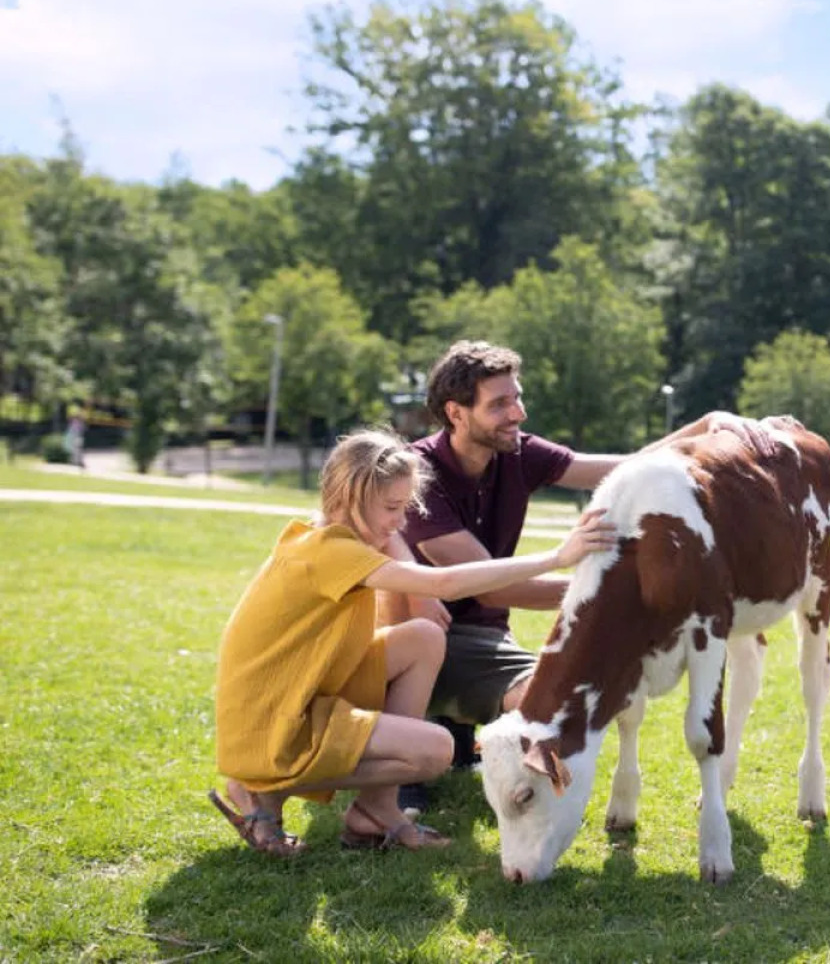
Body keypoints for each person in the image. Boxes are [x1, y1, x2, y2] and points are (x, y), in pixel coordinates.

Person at [393, 340, 771, 813]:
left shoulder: (518, 453)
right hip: (426, 633)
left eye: (517, 397)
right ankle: (413, 749)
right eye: (500, 404)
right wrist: (599, 593)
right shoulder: (419, 473)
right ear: (456, 412)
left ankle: (455, 725)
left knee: (561, 694)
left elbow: (623, 469)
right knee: (487, 670)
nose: (518, 413)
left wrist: (702, 428)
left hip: (488, 636)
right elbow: (489, 584)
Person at [207, 427, 615, 856]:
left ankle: (376, 810)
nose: (401, 522)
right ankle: (261, 789)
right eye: (392, 508)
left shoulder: (324, 534)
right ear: (349, 498)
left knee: (423, 637)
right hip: (275, 721)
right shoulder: (333, 553)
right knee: (436, 751)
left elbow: (407, 559)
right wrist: (557, 557)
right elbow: (447, 582)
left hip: (299, 694)